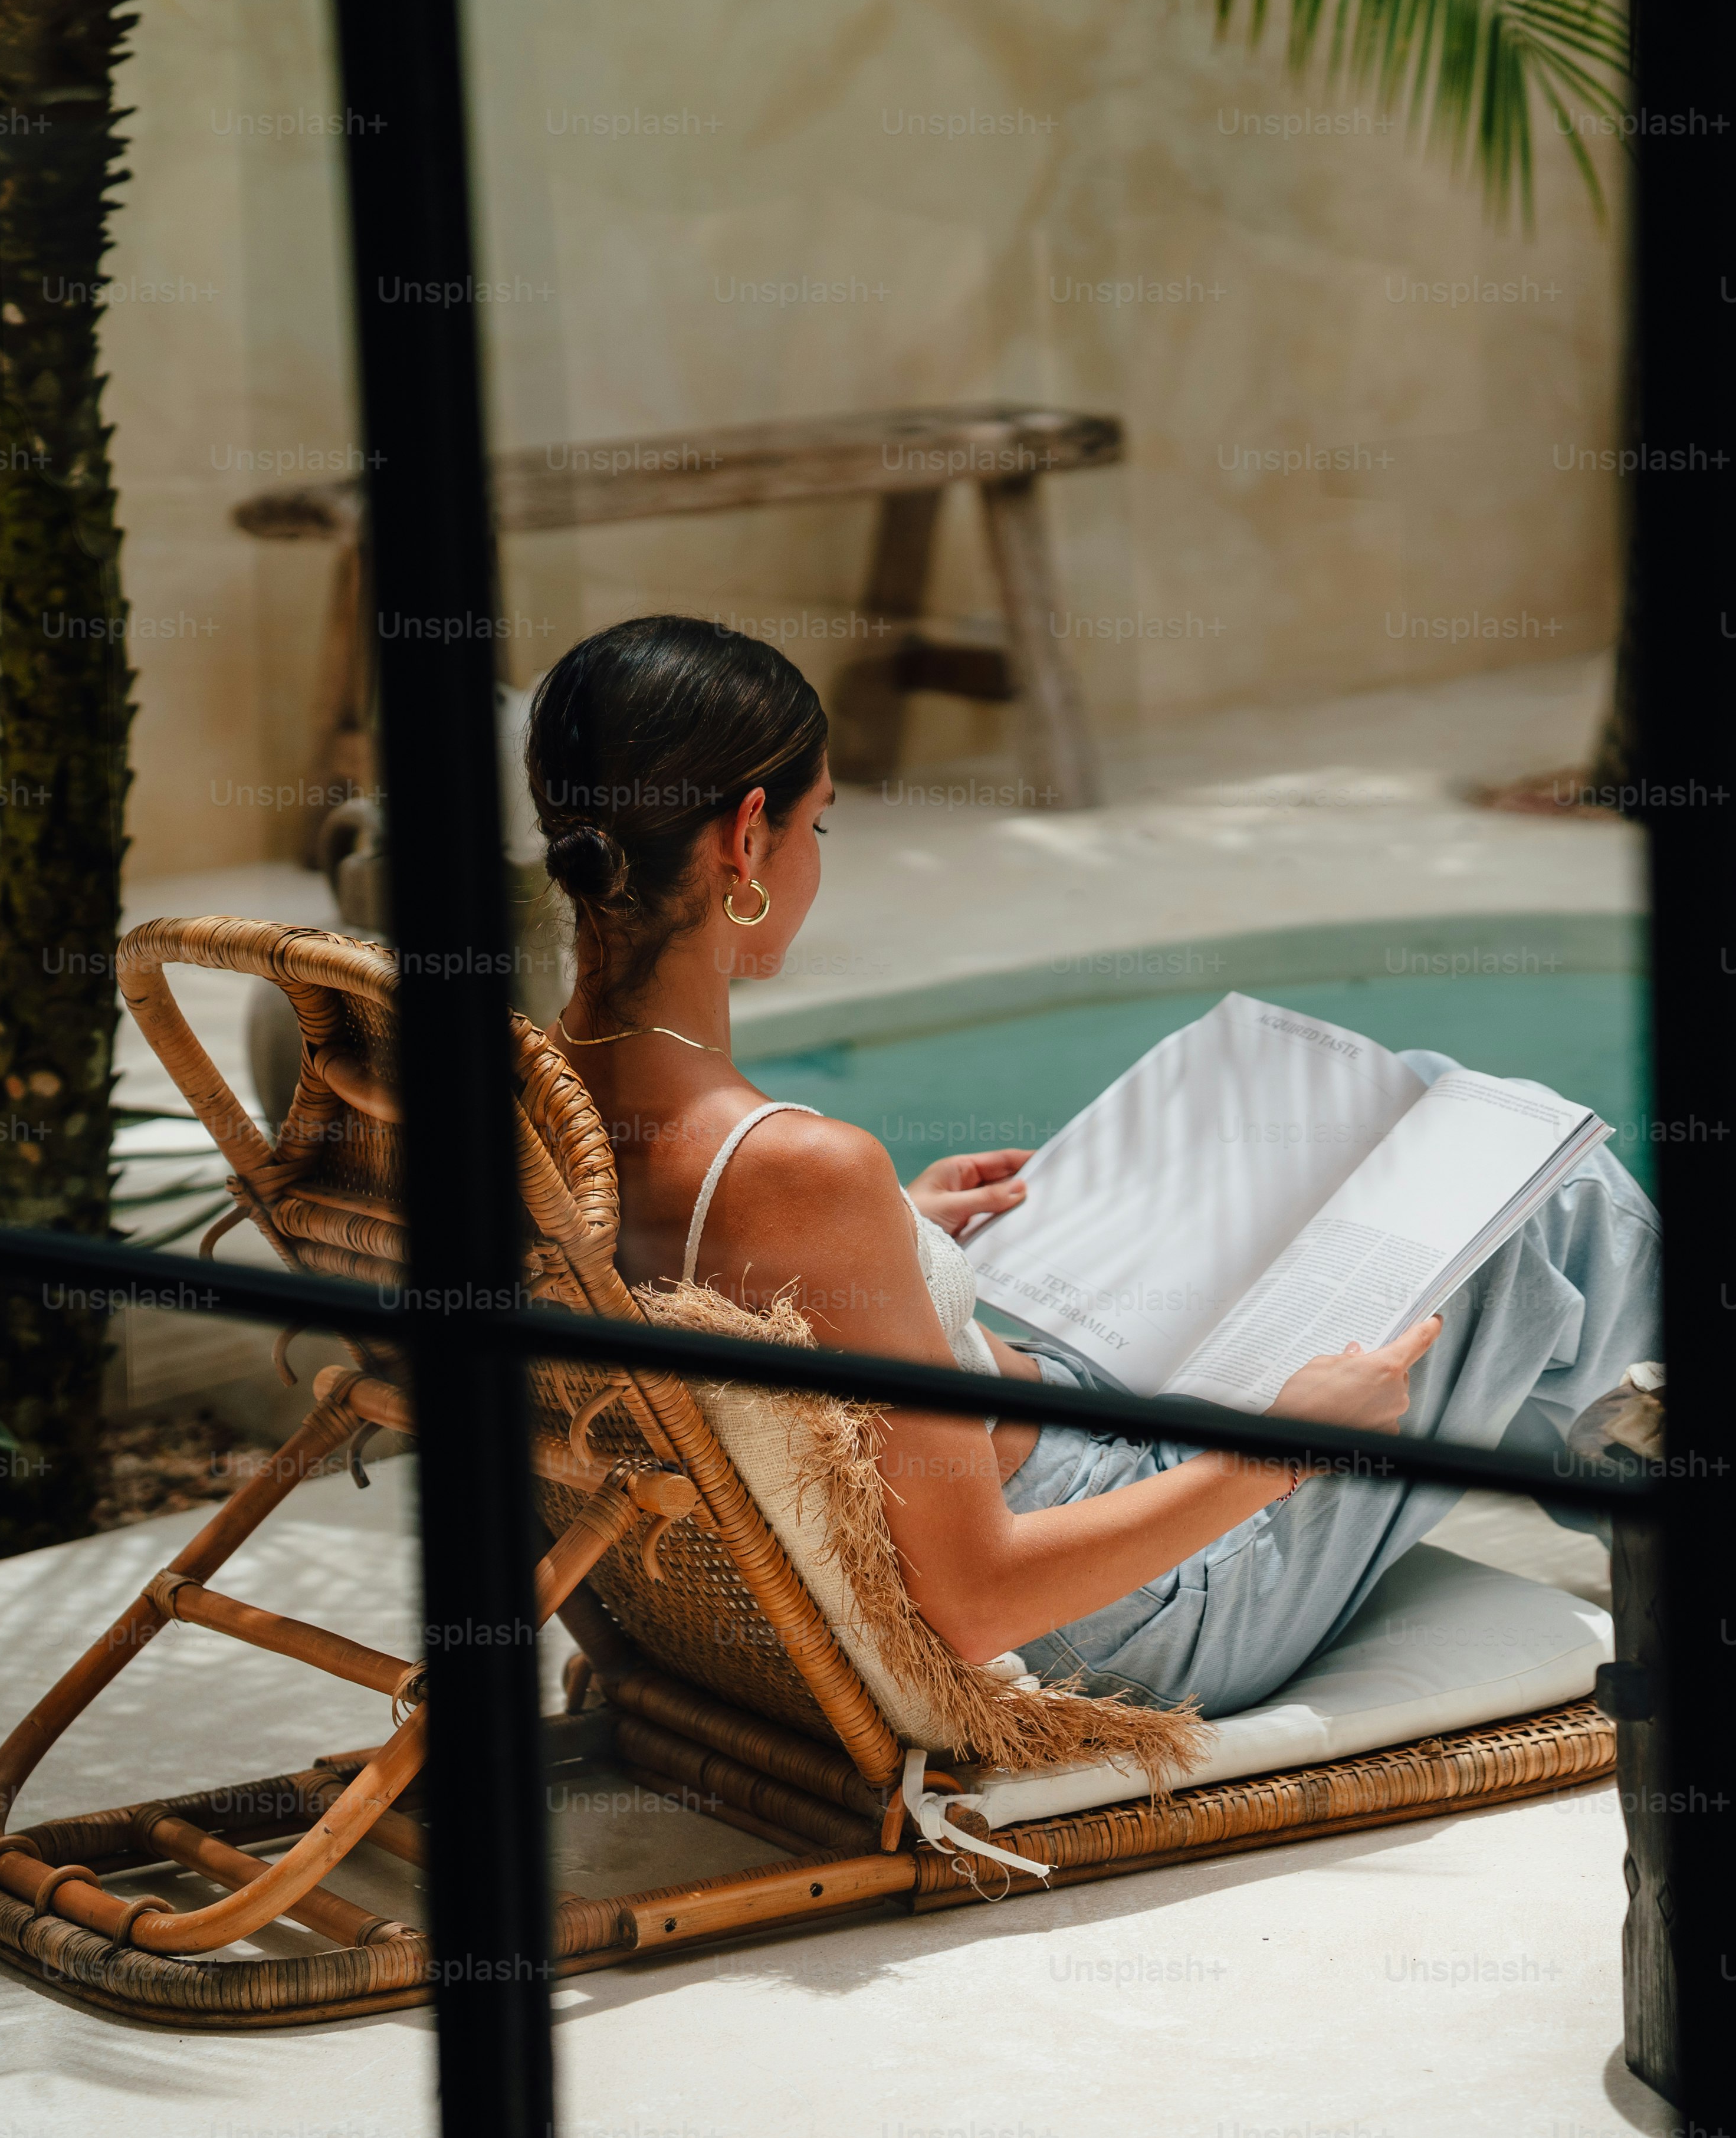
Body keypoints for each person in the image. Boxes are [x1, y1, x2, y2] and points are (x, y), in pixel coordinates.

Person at [530, 614, 1660, 1717]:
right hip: (1127, 1612)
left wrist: (901, 1240)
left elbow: (692, 1281)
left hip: (1064, 1418)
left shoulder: (527, 1110)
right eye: (818, 828)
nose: (818, 863)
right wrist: (1291, 1448)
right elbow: (976, 1605)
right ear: (745, 838)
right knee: (1549, 1196)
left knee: (1409, 1095)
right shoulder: (794, 1172)